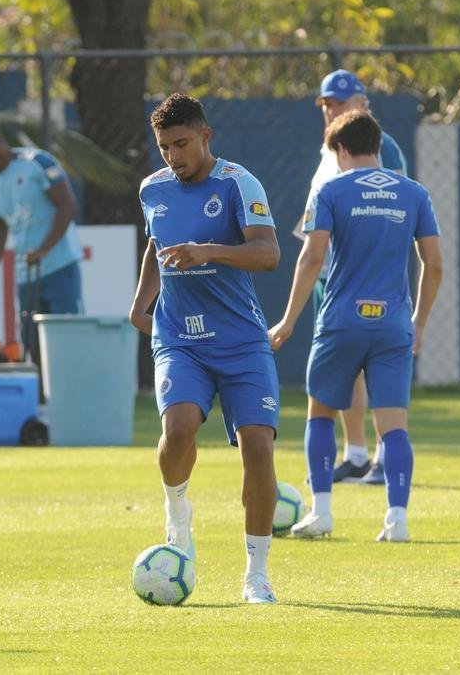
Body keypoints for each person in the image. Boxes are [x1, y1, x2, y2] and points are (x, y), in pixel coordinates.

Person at [129, 93, 283, 604]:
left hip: (241, 340)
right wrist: (141, 302)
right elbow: (157, 245)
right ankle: (177, 513)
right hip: (179, 339)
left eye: (182, 144)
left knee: (258, 449)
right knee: (178, 431)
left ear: (206, 136)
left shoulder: (240, 183)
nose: (174, 156)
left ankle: (256, 574)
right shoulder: (152, 189)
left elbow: (268, 253)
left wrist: (209, 251)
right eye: (165, 147)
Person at [270, 109, 442, 542]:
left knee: (321, 414)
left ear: (341, 150)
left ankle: (323, 512)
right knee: (394, 425)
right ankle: (397, 520)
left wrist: (289, 319)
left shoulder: (330, 190)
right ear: (378, 146)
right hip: (393, 324)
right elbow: (434, 265)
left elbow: (312, 258)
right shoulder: (415, 193)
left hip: (341, 320)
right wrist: (418, 322)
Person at [300, 68, 410, 486]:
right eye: (328, 103)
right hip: (331, 273)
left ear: (363, 104)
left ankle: (384, 455)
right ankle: (357, 452)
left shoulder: (383, 148)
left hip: (369, 278)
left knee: (376, 364)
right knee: (341, 368)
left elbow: (395, 211)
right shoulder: (331, 150)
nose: (333, 109)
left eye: (342, 102)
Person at [0, 116, 83, 365]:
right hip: (26, 278)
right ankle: (39, 405)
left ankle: (71, 402)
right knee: (32, 350)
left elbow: (68, 207)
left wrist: (43, 250)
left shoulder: (36, 163)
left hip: (60, 268)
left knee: (69, 344)